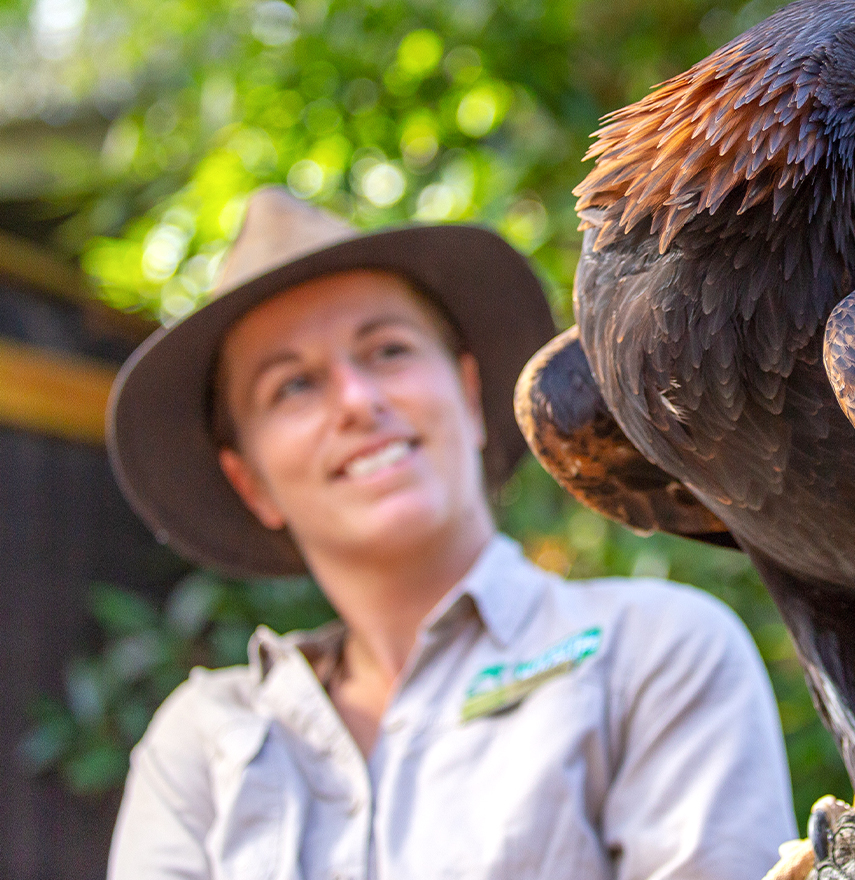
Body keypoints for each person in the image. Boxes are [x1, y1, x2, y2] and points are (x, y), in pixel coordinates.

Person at [104, 188, 796, 879]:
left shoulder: (653, 654)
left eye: (387, 350)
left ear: (467, 396)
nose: (358, 401)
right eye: (292, 387)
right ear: (250, 481)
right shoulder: (202, 746)